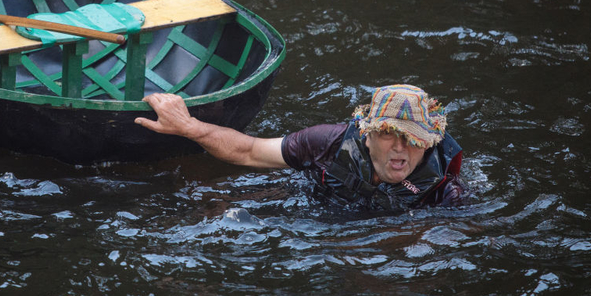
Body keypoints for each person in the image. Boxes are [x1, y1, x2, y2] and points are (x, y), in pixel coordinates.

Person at [134, 84, 469, 212]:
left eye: (412, 139)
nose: (400, 148)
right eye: (388, 135)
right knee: (209, 203)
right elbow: (249, 151)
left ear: (428, 143)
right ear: (367, 135)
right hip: (317, 203)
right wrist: (189, 126)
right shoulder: (326, 143)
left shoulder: (445, 193)